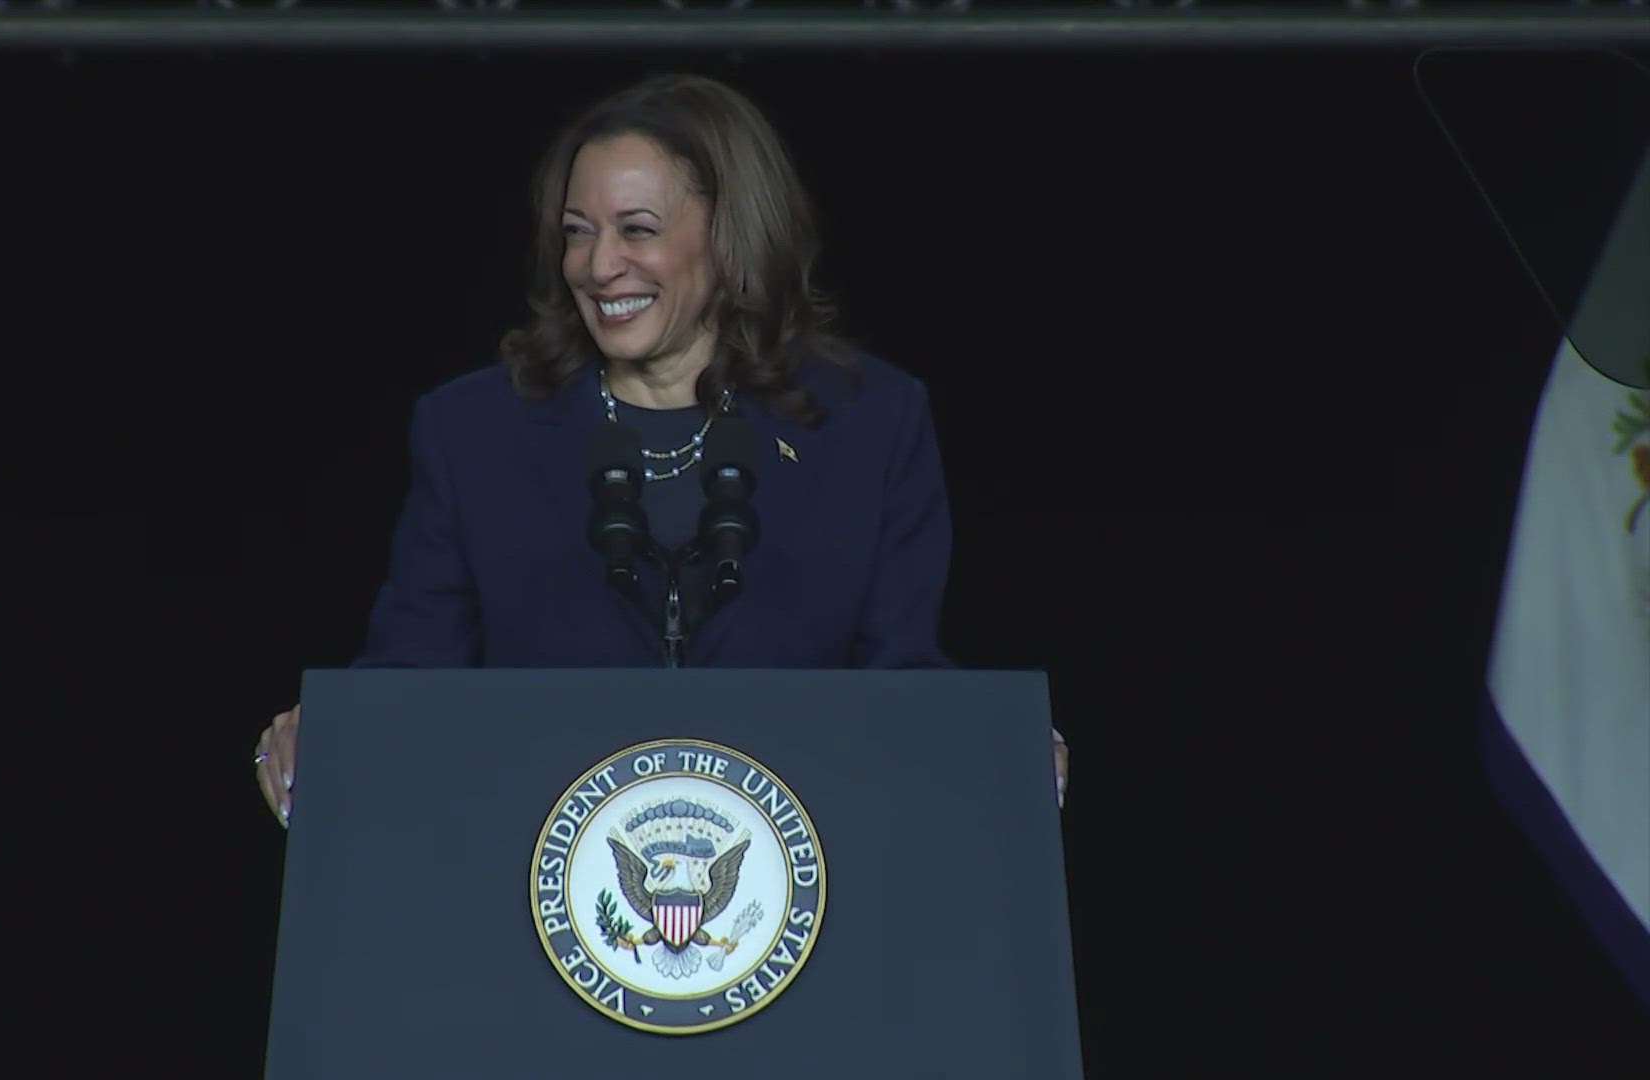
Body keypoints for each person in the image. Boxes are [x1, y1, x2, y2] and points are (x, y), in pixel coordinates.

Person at [253, 73, 1067, 826]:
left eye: (636, 229)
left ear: (731, 235)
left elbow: (903, 684)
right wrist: (325, 729)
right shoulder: (475, 432)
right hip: (524, 869)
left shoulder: (867, 423)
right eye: (577, 233)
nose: (599, 266)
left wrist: (999, 747)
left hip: (812, 876)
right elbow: (413, 673)